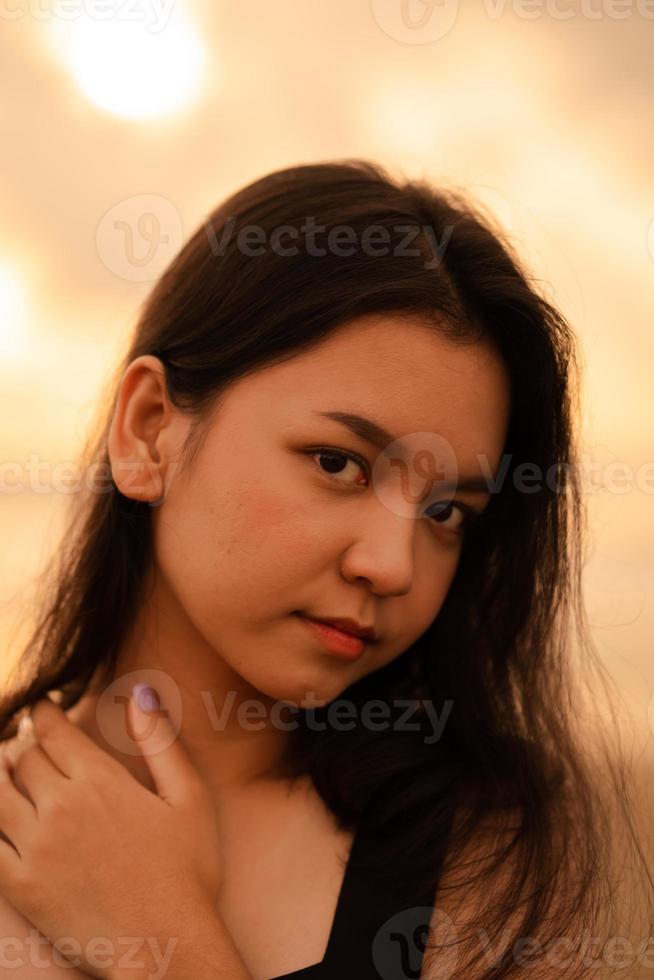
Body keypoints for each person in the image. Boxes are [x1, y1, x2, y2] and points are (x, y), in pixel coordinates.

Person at [0, 160, 650, 979]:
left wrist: (159, 941)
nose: (391, 565)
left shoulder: (485, 857)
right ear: (148, 429)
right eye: (338, 463)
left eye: (447, 512)